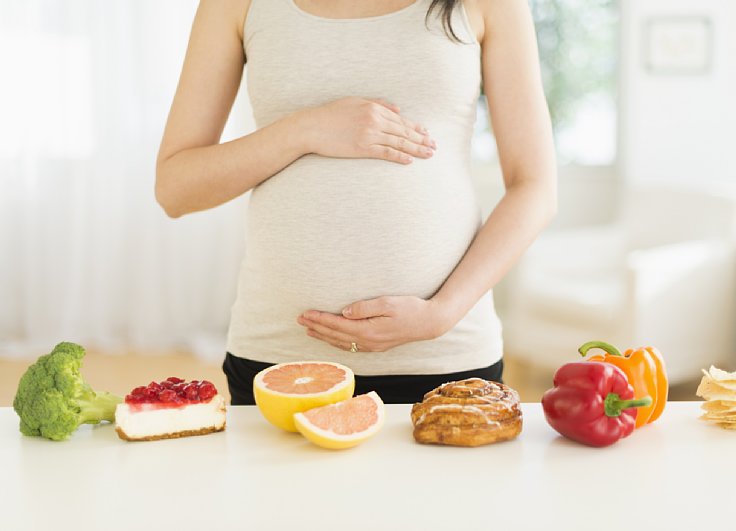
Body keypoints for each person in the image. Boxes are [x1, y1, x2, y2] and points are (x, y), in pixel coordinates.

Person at [155, 0, 557, 405]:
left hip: (445, 358)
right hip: (281, 359)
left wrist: (441, 314)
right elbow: (176, 188)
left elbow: (534, 185)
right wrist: (304, 129)